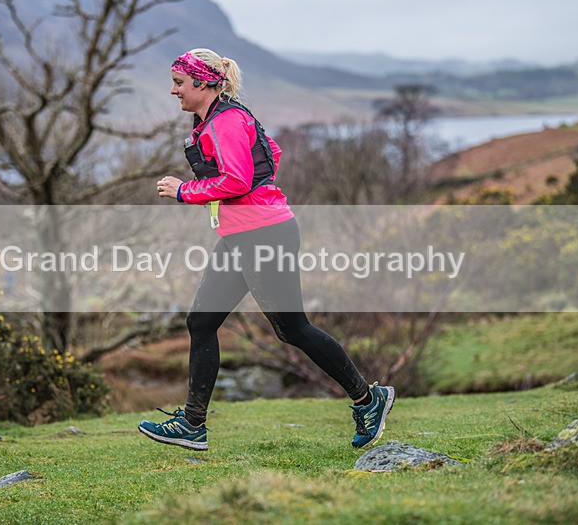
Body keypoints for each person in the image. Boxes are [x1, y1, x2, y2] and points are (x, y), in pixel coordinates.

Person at [138, 48, 394, 451]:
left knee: (292, 329)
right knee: (201, 322)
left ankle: (368, 399)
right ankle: (192, 424)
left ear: (203, 82)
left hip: (264, 235)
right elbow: (270, 152)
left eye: (179, 83)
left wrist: (185, 190)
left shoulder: (225, 122)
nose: (174, 91)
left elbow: (238, 180)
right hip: (243, 234)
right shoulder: (217, 118)